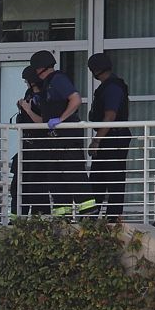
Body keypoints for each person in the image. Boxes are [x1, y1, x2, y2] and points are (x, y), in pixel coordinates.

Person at [29, 49, 95, 217]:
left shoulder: (58, 79)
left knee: (73, 174)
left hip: (66, 140)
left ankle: (88, 214)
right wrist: (28, 108)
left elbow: (76, 99)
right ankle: (62, 217)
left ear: (40, 69)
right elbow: (43, 121)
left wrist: (61, 119)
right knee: (55, 178)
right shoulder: (46, 85)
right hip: (54, 142)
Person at [86, 52, 131, 220]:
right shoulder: (111, 85)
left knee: (112, 179)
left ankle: (112, 219)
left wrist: (97, 140)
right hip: (111, 138)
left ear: (95, 70)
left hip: (113, 139)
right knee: (99, 178)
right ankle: (92, 217)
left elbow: (110, 116)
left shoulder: (112, 87)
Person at [13, 65, 49, 215]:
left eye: (27, 80)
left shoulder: (46, 96)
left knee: (37, 186)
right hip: (26, 146)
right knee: (17, 185)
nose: (26, 84)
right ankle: (17, 216)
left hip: (40, 147)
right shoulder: (29, 94)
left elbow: (43, 123)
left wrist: (28, 110)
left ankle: (38, 217)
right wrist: (22, 108)